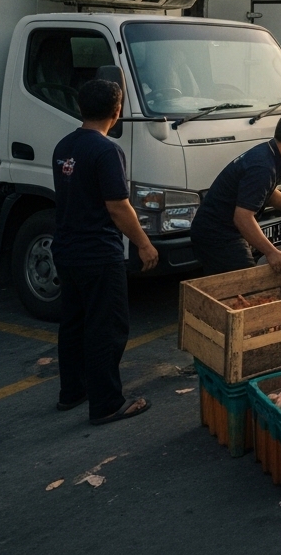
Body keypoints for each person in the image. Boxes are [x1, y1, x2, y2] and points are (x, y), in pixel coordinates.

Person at [52, 78, 159, 426]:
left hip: (67, 250)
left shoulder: (63, 146)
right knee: (107, 329)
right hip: (98, 253)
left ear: (80, 108)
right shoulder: (107, 150)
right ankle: (108, 403)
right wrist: (144, 243)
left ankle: (73, 392)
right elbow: (117, 206)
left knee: (73, 324)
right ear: (117, 111)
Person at [190, 110, 281, 274]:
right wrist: (272, 252)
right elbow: (242, 217)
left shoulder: (269, 153)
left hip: (224, 229)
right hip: (216, 234)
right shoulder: (263, 167)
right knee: (246, 286)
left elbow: (267, 193)